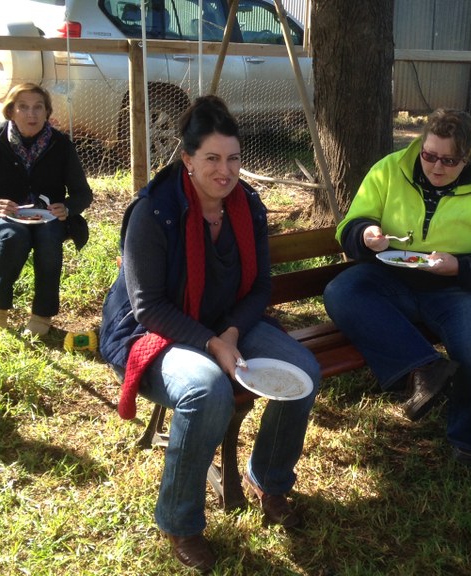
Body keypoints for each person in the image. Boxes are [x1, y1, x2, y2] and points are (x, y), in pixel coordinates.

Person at [99, 95, 319, 573]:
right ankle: (180, 521)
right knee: (207, 389)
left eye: (234, 158)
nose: (225, 171)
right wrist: (212, 343)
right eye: (212, 159)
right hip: (151, 332)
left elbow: (260, 285)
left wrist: (233, 332)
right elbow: (147, 306)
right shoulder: (153, 212)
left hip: (227, 321)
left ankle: (268, 479)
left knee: (303, 371)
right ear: (187, 159)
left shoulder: (247, 206)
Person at [323, 109, 471, 467]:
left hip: (462, 285)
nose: (436, 167)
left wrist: (459, 266)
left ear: (467, 158)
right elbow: (350, 226)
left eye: (449, 161)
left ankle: (467, 441)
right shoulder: (388, 169)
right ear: (420, 145)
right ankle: (423, 369)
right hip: (393, 277)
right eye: (429, 155)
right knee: (343, 292)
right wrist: (366, 234)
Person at [0, 82, 93, 337]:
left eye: (38, 107)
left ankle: (42, 314)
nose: (31, 114)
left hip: (48, 218)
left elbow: (83, 194)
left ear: (47, 112)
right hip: (4, 216)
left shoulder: (61, 144)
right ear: (11, 111)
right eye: (23, 107)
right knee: (14, 236)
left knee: (48, 239)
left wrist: (66, 207)